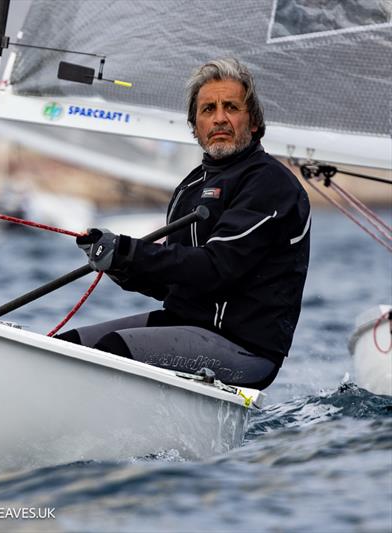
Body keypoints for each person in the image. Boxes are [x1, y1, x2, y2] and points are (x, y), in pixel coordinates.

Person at [57, 58, 310, 390]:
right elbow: (174, 283)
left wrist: (129, 251)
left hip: (245, 350)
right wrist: (119, 264)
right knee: (66, 349)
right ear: (194, 126)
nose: (219, 118)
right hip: (184, 325)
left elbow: (217, 268)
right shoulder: (189, 188)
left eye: (231, 107)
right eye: (208, 110)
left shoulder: (269, 184)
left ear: (254, 122)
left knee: (113, 351)